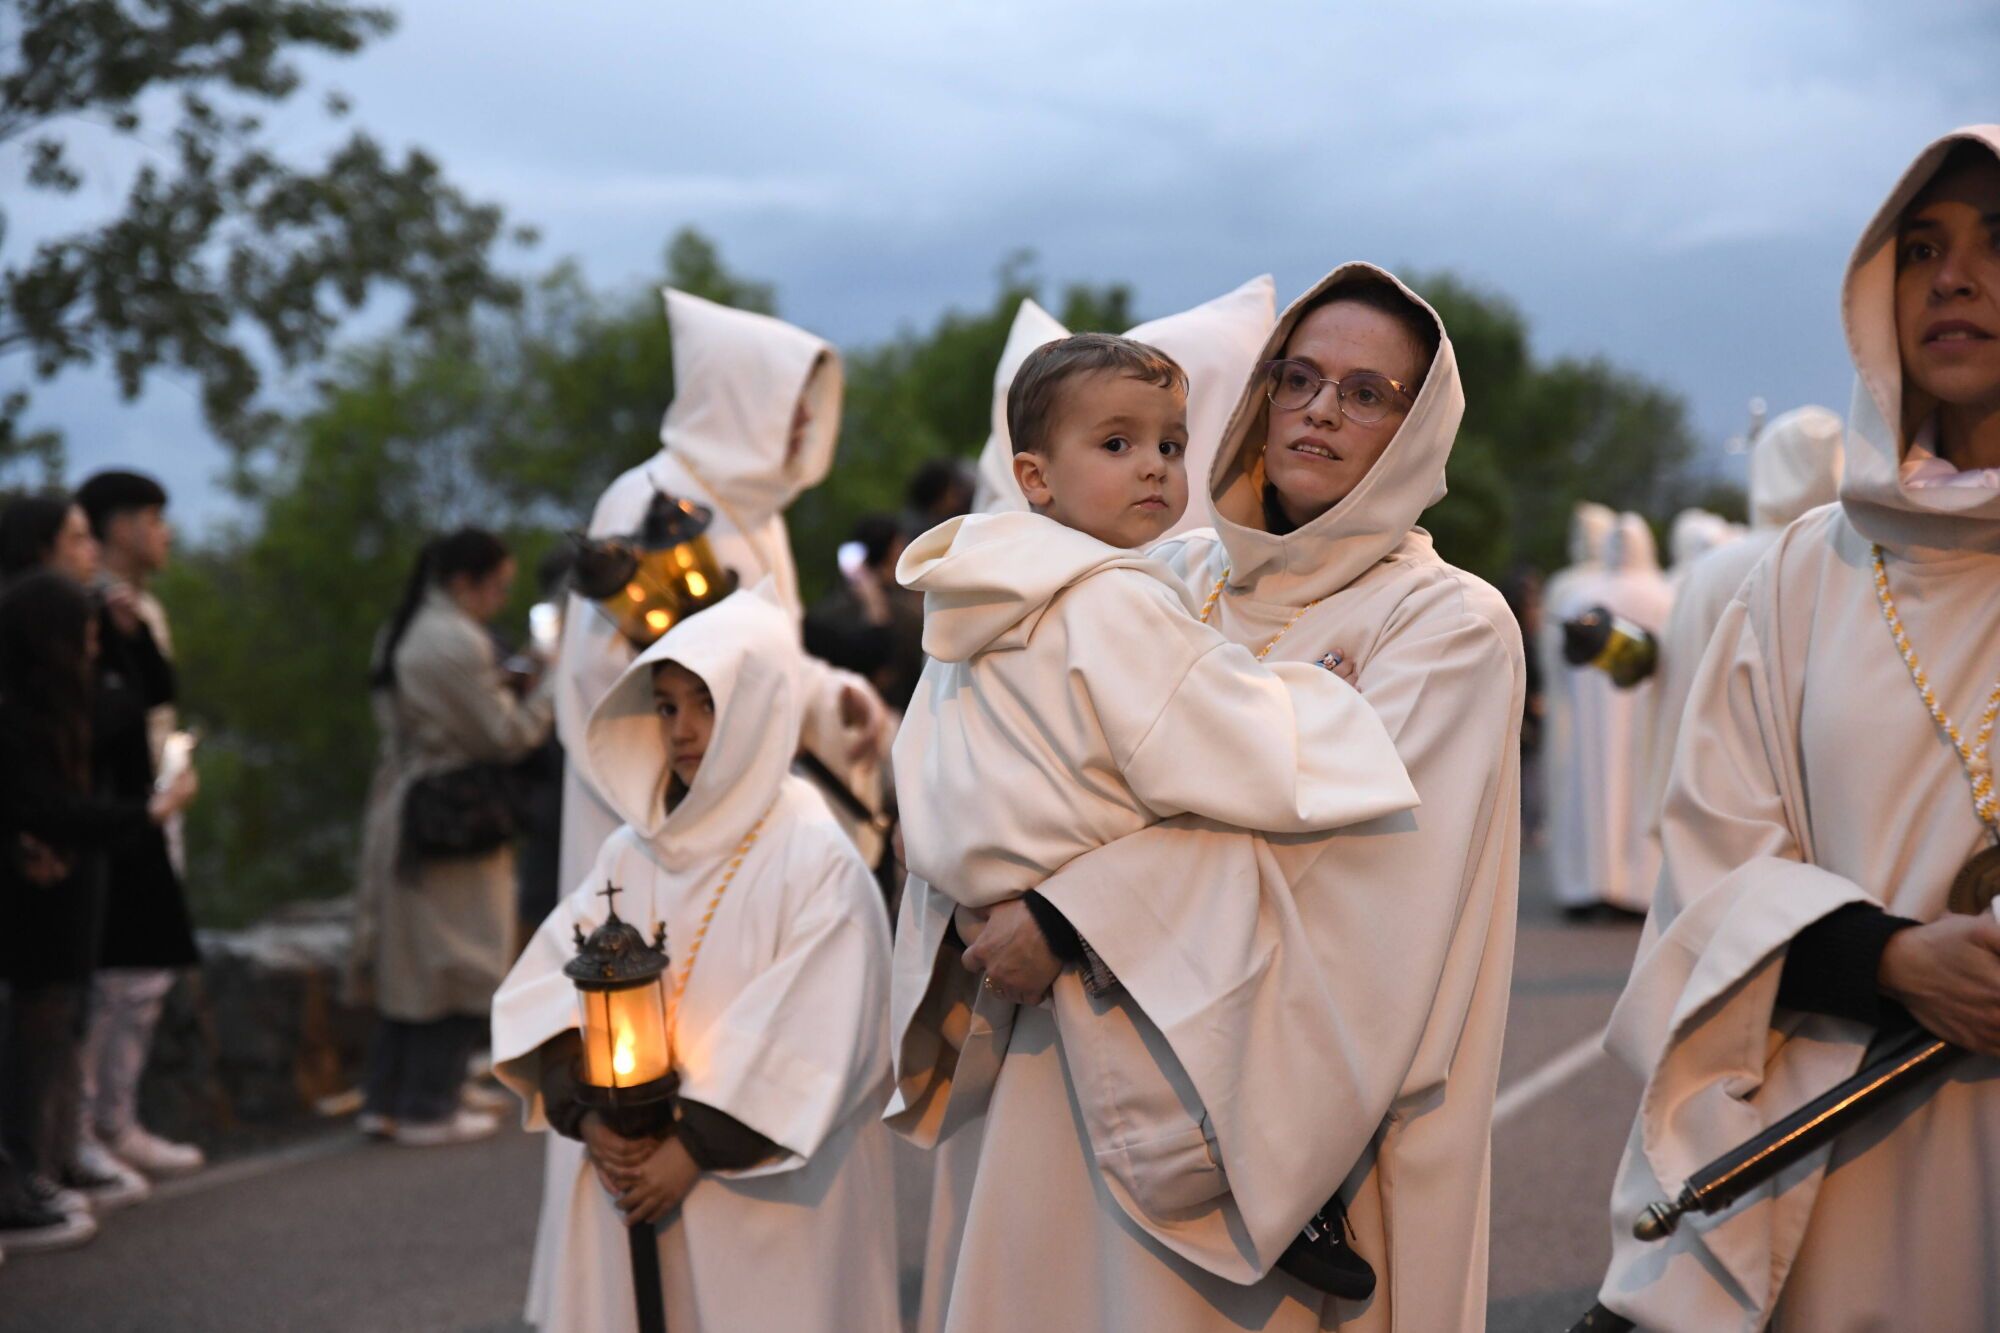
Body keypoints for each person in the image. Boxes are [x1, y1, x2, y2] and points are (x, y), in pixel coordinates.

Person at [893, 263, 1522, 1332]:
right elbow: (987, 735)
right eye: (1298, 378)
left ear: (1418, 429)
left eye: (1366, 393)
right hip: (1053, 1057)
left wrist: (1064, 913)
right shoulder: (1160, 573)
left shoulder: (1447, 622)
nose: (1321, 408)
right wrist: (981, 873)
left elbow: (1355, 870)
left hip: (1252, 1124)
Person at [1594, 125, 2000, 1330]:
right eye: (1919, 247)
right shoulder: (1800, 576)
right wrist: (1885, 957)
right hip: (1850, 1135)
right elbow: (1710, 866)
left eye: (1994, 243)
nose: (1952, 277)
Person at [492, 585, 898, 1332]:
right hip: (628, 1176)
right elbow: (545, 991)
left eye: (706, 704)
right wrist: (590, 1117)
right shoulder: (629, 852)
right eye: (668, 705)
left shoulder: (815, 857)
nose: (683, 729)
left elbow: (818, 1031)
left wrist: (689, 1146)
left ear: (760, 708)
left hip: (764, 1206)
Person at [552, 289, 890, 903]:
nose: (809, 422)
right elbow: (598, 679)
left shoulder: (758, 512)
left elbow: (772, 652)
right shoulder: (645, 498)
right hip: (662, 822)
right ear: (743, 398)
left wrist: (833, 695)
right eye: (793, 402)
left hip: (745, 817)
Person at [0, 573, 195, 1252]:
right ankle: (23, 1176)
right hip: (35, 908)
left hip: (62, 896)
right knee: (34, 1036)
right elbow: (41, 803)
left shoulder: (57, 711)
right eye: (84, 635)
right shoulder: (25, 714)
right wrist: (148, 810)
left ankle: (36, 1170)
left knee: (55, 1027)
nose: (94, 648)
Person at [349, 529, 554, 1147]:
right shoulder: (452, 640)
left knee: (412, 962)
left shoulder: (410, 627)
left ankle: (387, 1099)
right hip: (449, 812)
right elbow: (504, 734)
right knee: (458, 961)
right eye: (496, 587)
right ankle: (424, 1105)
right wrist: (548, 686)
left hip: (416, 807)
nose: (498, 600)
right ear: (465, 582)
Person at [70, 470, 206, 1184]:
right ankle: (84, 1130)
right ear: (119, 525)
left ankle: (113, 1124)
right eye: (154, 517)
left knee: (142, 977)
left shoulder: (139, 608)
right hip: (117, 813)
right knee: (111, 977)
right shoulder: (84, 607)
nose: (166, 533)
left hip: (151, 805)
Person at [1642, 406, 1844, 845]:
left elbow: (1681, 688)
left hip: (1717, 802)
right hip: (1836, 814)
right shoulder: (1857, 563)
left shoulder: (1711, 571)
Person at [968, 276, 1277, 537]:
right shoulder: (1124, 593)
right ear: (1037, 477)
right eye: (1116, 445)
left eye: (1169, 448)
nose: (1156, 468)